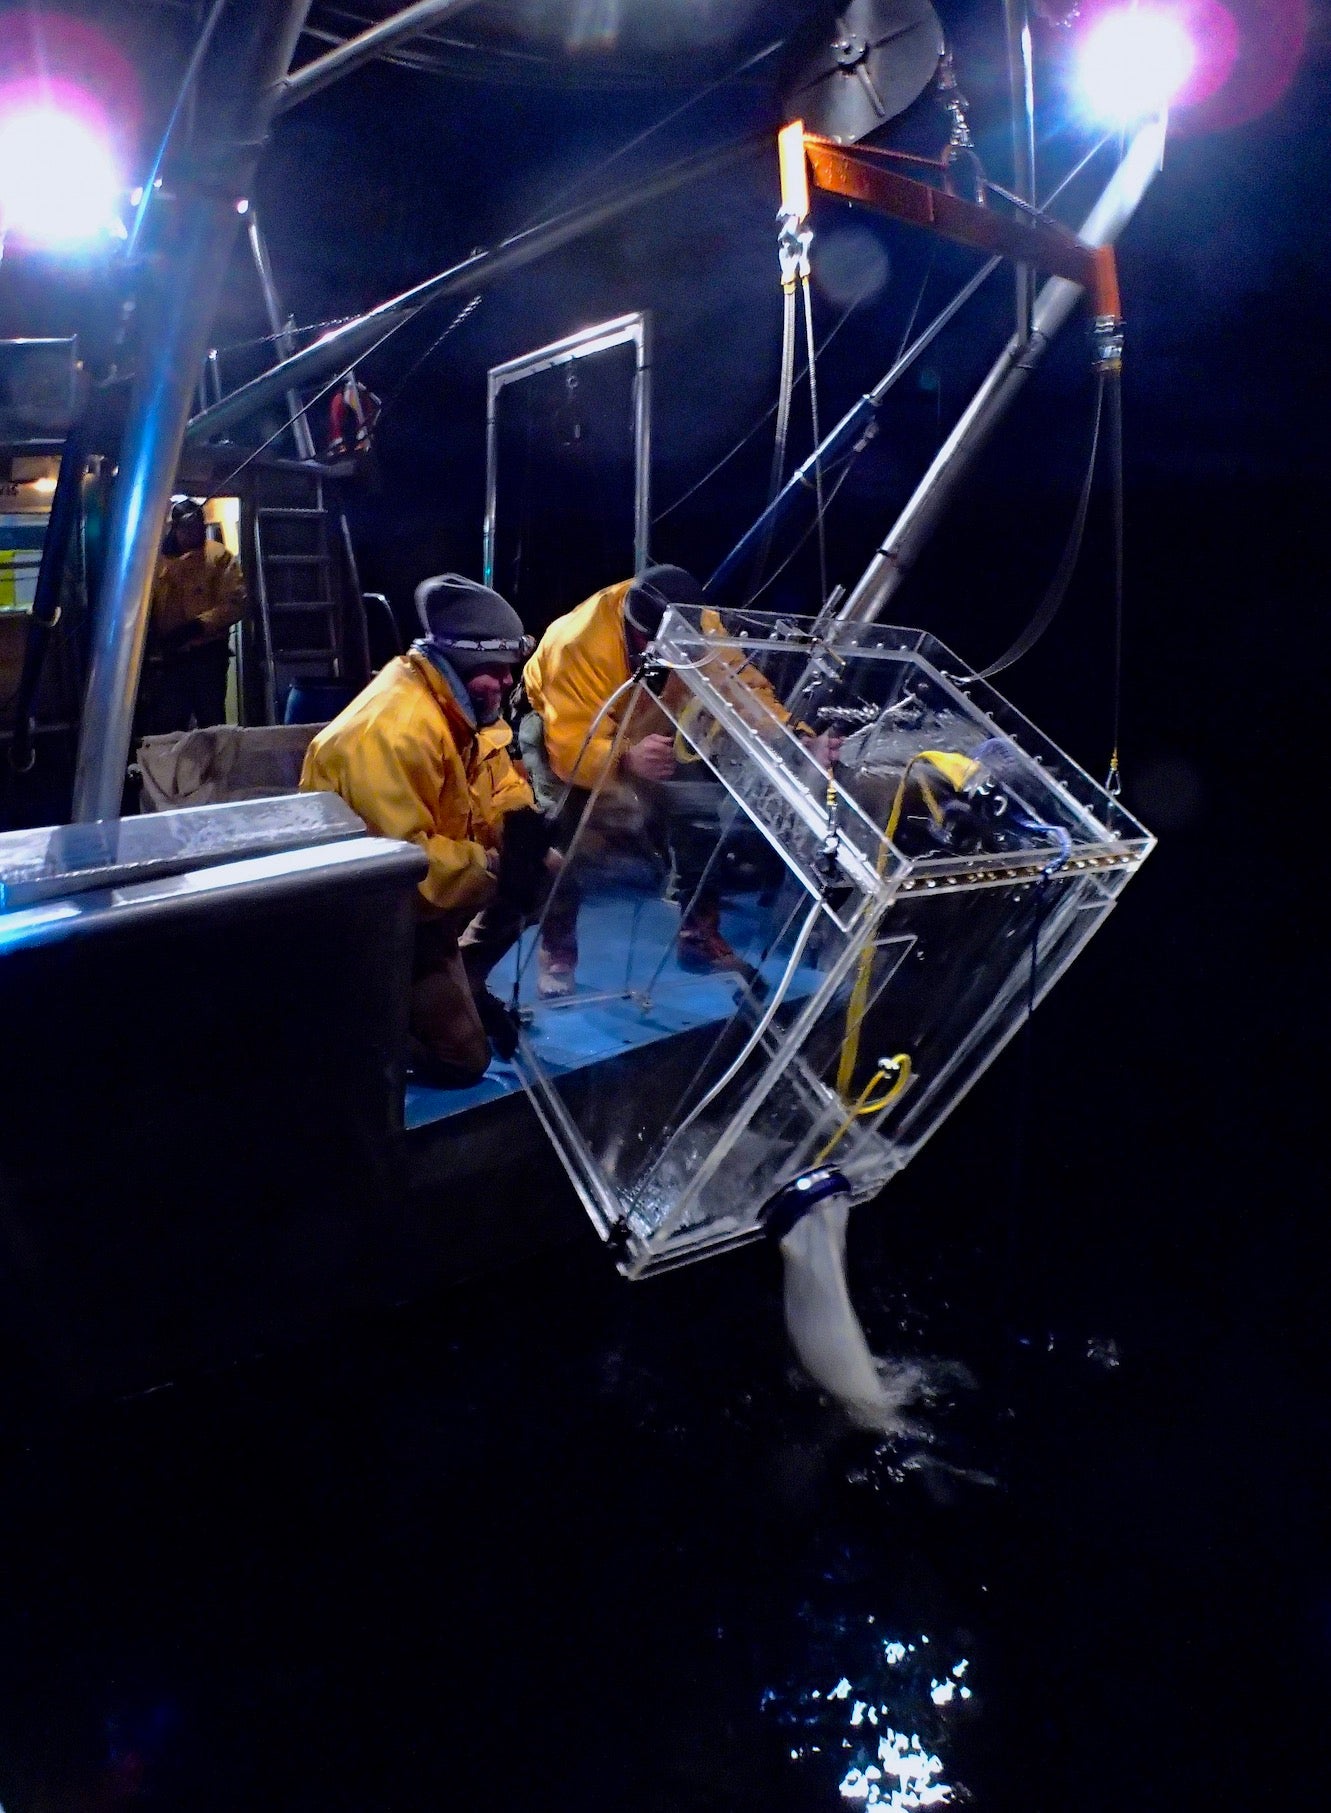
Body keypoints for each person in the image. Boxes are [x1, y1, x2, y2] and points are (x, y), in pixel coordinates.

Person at [520, 565, 833, 998]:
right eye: (649, 642)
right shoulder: (577, 644)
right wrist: (624, 759)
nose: (660, 649)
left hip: (650, 715)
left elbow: (740, 687)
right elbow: (570, 742)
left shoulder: (699, 624)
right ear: (632, 626)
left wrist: (794, 738)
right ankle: (556, 953)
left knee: (696, 819)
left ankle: (698, 937)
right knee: (561, 842)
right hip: (569, 731)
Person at [300, 573, 550, 1086]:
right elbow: (399, 867)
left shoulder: (459, 705)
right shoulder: (394, 732)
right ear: (457, 662)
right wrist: (496, 867)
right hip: (369, 918)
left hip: (428, 895)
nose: (507, 682)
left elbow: (498, 777)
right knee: (465, 1061)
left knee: (543, 868)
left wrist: (521, 826)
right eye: (494, 671)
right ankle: (369, 1030)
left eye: (509, 669)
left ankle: (464, 979)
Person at [139, 498, 246, 734]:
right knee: (168, 728)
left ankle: (215, 771)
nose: (197, 533)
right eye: (189, 528)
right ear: (175, 528)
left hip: (208, 658)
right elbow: (144, 603)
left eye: (200, 527)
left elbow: (236, 602)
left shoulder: (218, 557)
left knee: (211, 727)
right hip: (169, 661)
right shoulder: (155, 560)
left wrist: (199, 626)